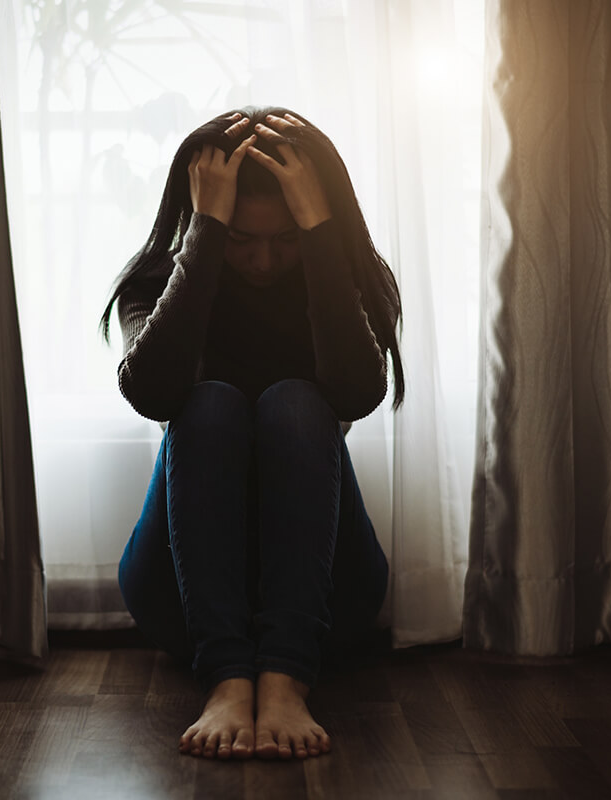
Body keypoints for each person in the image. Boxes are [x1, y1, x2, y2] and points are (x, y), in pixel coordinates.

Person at [99, 106, 405, 761]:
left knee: (296, 402)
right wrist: (205, 233)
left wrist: (322, 236)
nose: (264, 261)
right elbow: (151, 393)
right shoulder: (155, 284)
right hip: (180, 601)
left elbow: (358, 393)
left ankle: (287, 676)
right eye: (241, 239)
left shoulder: (346, 276)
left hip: (329, 603)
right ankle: (227, 679)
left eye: (286, 237)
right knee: (207, 406)